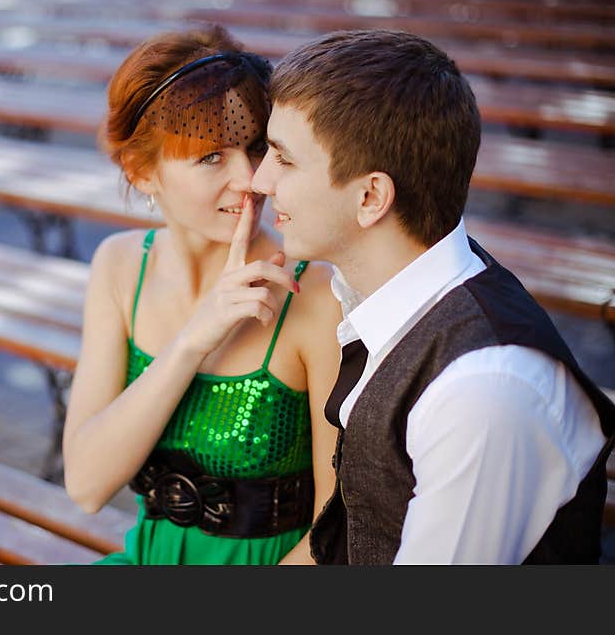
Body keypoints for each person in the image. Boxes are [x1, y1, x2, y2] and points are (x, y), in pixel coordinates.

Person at [251, 29, 615, 564]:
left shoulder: (482, 392)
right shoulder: (389, 291)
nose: (259, 180)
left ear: (371, 196)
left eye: (283, 159)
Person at [62, 25, 342, 565]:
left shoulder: (314, 293)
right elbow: (86, 485)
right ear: (142, 173)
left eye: (257, 147)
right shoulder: (121, 266)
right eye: (211, 157)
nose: (252, 180)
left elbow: (338, 527)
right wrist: (196, 338)